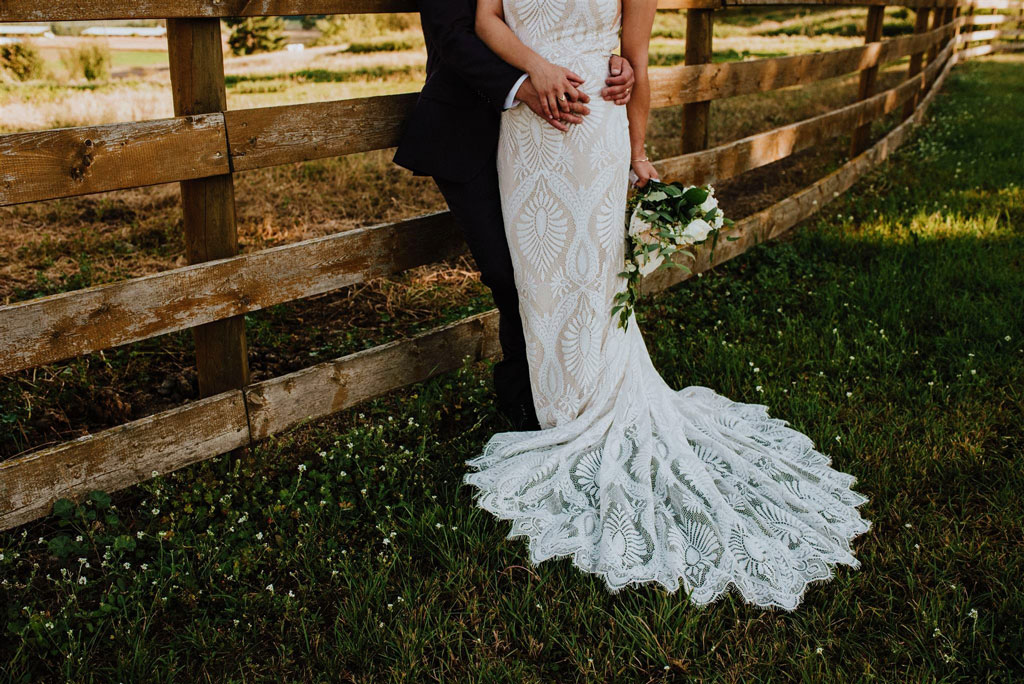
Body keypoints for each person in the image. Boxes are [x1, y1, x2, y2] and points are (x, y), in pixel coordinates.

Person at [462, 0, 871, 610]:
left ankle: (582, 409)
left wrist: (636, 152)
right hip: (525, 133)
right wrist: (536, 70)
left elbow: (638, 59)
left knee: (591, 280)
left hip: (593, 126)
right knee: (539, 280)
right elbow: (485, 17)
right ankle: (553, 406)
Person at [393, 0, 635, 432]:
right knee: (509, 274)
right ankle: (523, 398)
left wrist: (604, 60)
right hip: (470, 126)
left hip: (551, 133)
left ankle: (574, 386)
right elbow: (453, 36)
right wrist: (526, 85)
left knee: (563, 264)